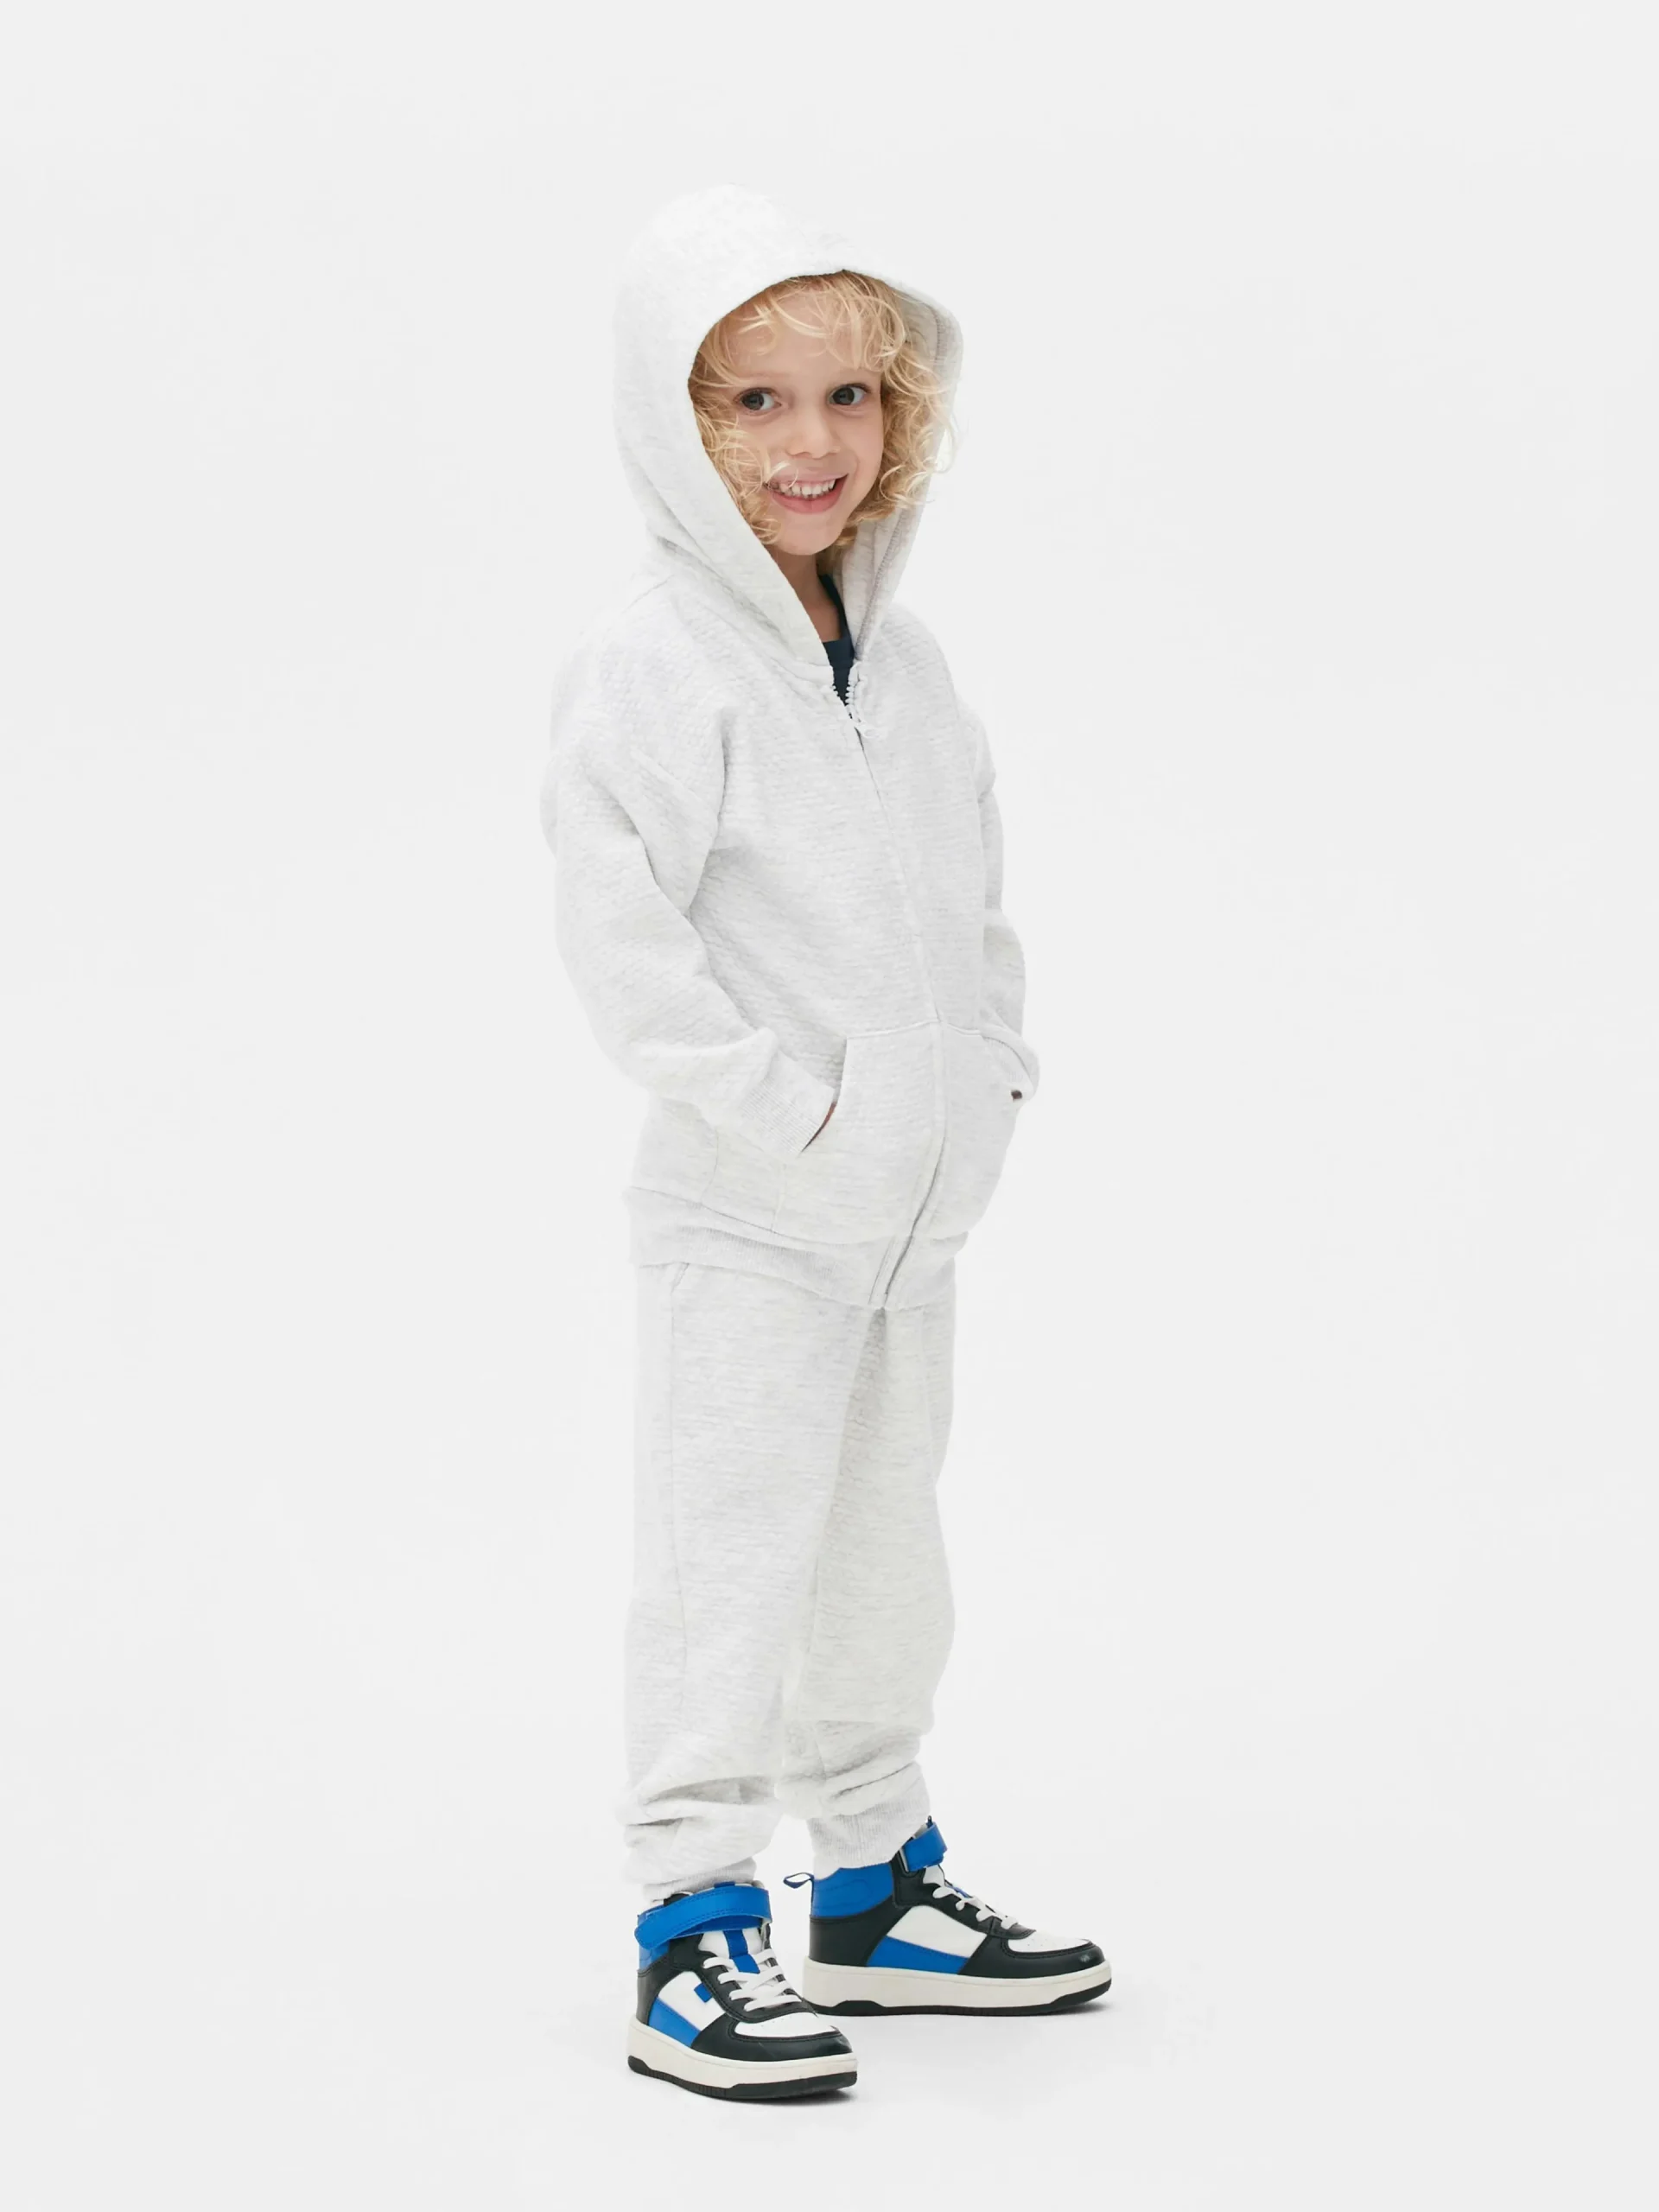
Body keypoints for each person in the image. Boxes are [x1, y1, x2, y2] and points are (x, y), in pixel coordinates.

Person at [540, 184, 1110, 2103]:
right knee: (728, 1573)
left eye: (851, 396)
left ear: (903, 412)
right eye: (755, 401)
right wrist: (791, 1109)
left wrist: (989, 1075)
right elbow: (622, 945)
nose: (812, 443)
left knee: (883, 1569)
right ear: (675, 421)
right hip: (751, 1218)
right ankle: (689, 1925)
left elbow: (974, 901)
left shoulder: (911, 665)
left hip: (909, 1223)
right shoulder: (656, 664)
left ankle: (868, 1888)